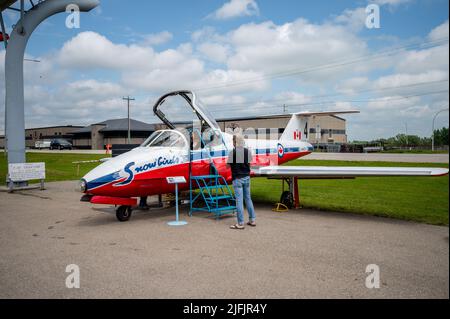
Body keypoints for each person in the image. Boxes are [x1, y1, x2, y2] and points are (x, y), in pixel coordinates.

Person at [226, 134, 256, 230]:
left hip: (237, 178)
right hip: (247, 177)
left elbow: (227, 166)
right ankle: (252, 220)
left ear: (235, 142)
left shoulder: (232, 153)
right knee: (248, 199)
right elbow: (249, 164)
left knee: (239, 201)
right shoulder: (247, 151)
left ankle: (240, 223)